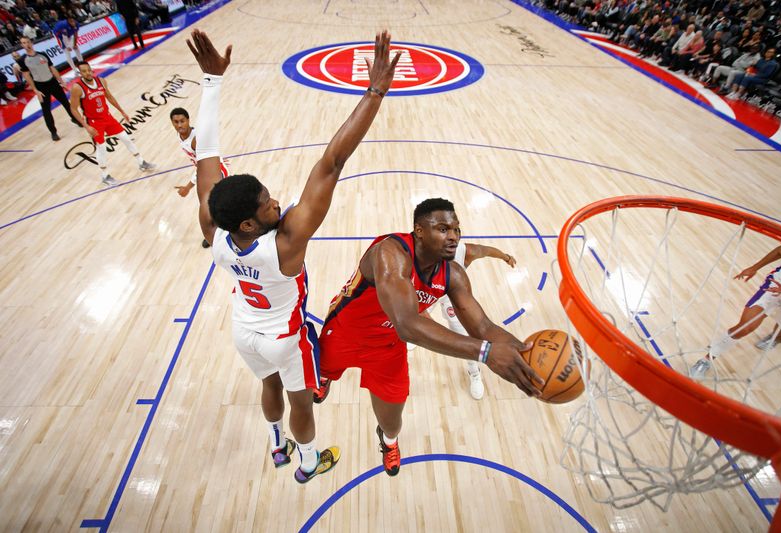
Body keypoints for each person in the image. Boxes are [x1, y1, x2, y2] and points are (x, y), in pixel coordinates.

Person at [188, 28, 401, 483]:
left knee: (268, 386)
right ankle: (307, 462)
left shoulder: (214, 225)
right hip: (285, 336)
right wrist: (376, 92)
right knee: (301, 399)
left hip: (244, 329)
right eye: (266, 203)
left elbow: (205, 152)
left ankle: (275, 443)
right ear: (248, 223)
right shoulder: (284, 244)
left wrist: (211, 84)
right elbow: (332, 163)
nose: (276, 201)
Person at [314, 198, 543, 476]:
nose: (454, 237)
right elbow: (407, 324)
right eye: (443, 229)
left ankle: (389, 442)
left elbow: (483, 327)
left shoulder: (453, 275)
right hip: (345, 332)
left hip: (387, 347)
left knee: (392, 420)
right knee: (318, 374)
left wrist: (524, 351)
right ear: (419, 230)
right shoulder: (390, 253)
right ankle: (325, 377)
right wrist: (485, 353)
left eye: (457, 230)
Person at [690, 244, 781, 378]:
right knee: (744, 327)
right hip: (776, 286)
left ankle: (775, 337)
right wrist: (754, 268)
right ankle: (706, 359)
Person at [436, 240, 517, 400]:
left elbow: (486, 250)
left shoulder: (465, 252)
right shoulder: (421, 248)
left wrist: (506, 257)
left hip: (451, 298)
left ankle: (474, 372)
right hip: (427, 291)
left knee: (465, 340)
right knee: (414, 314)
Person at [69, 61, 156, 185]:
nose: (87, 73)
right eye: (84, 71)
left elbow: (109, 97)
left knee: (126, 138)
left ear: (91, 69)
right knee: (102, 147)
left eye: (89, 70)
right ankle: (105, 176)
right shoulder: (77, 88)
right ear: (80, 73)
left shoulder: (101, 81)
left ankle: (141, 162)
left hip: (107, 117)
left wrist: (122, 111)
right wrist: (86, 126)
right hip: (94, 122)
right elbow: (73, 108)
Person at [169, 106, 231, 247]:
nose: (179, 125)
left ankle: (228, 233)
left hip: (215, 171)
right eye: (176, 122)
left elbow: (203, 167)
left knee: (217, 204)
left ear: (188, 120)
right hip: (205, 171)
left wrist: (188, 187)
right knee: (210, 205)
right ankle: (217, 232)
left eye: (182, 121)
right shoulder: (181, 134)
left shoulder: (196, 141)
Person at [16, 36, 82, 140]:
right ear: (22, 45)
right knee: (46, 110)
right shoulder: (22, 60)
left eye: (28, 42)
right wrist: (35, 90)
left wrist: (61, 81)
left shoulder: (43, 54)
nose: (26, 44)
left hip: (53, 82)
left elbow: (52, 68)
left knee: (66, 103)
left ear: (31, 43)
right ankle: (53, 132)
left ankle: (76, 119)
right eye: (24, 43)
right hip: (40, 86)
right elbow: (27, 76)